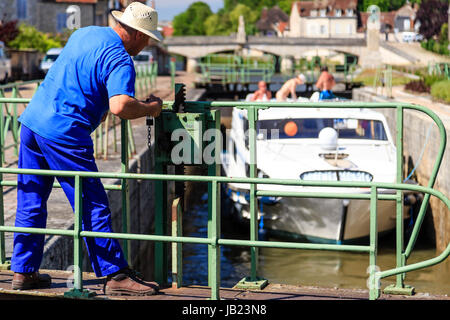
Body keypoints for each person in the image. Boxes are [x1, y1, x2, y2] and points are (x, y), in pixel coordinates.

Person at [10, 2, 164, 296]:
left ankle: (23, 271)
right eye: (146, 37)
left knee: (30, 199)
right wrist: (151, 108)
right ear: (135, 33)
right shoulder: (120, 59)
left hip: (32, 122)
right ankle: (115, 275)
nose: (145, 44)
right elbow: (121, 106)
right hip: (64, 133)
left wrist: (99, 105)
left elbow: (79, 77)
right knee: (91, 202)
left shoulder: (85, 33)